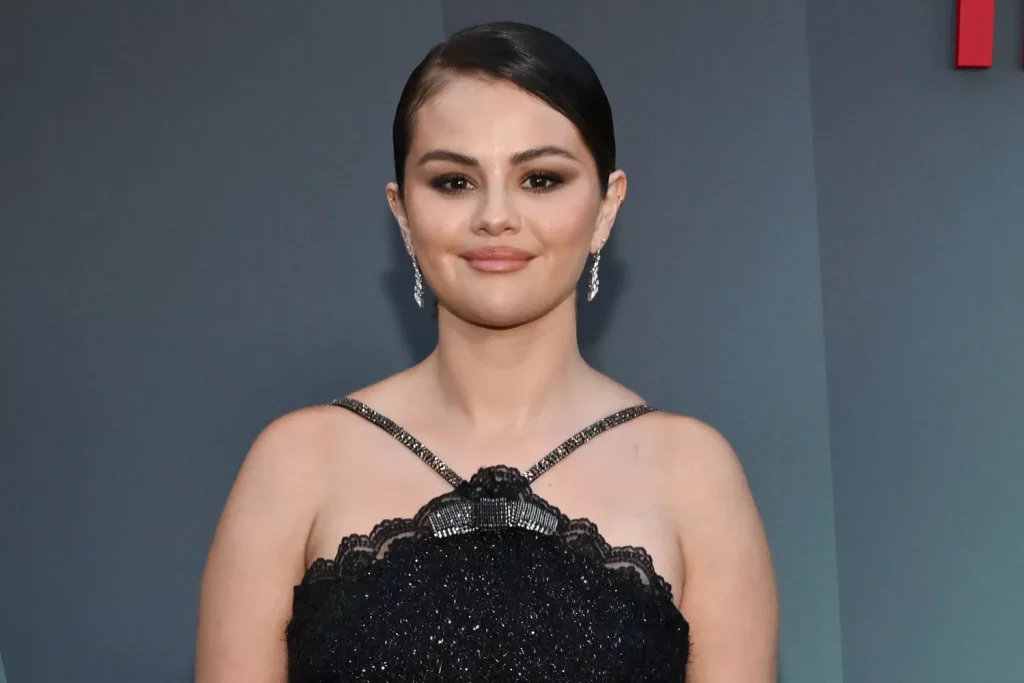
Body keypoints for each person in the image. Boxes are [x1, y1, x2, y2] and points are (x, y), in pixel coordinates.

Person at [195, 20, 777, 683]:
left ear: (607, 206)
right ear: (403, 212)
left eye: (540, 179)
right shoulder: (295, 464)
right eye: (453, 181)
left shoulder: (695, 476)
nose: (495, 216)